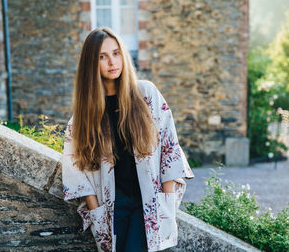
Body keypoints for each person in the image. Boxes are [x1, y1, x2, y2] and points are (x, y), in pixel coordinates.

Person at [61, 27, 194, 252]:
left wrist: (166, 201)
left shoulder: (146, 95)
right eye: (102, 57)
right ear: (91, 64)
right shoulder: (82, 118)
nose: (112, 62)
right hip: (112, 209)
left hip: (148, 205)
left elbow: (169, 147)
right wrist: (97, 213)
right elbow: (76, 171)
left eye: (116, 53)